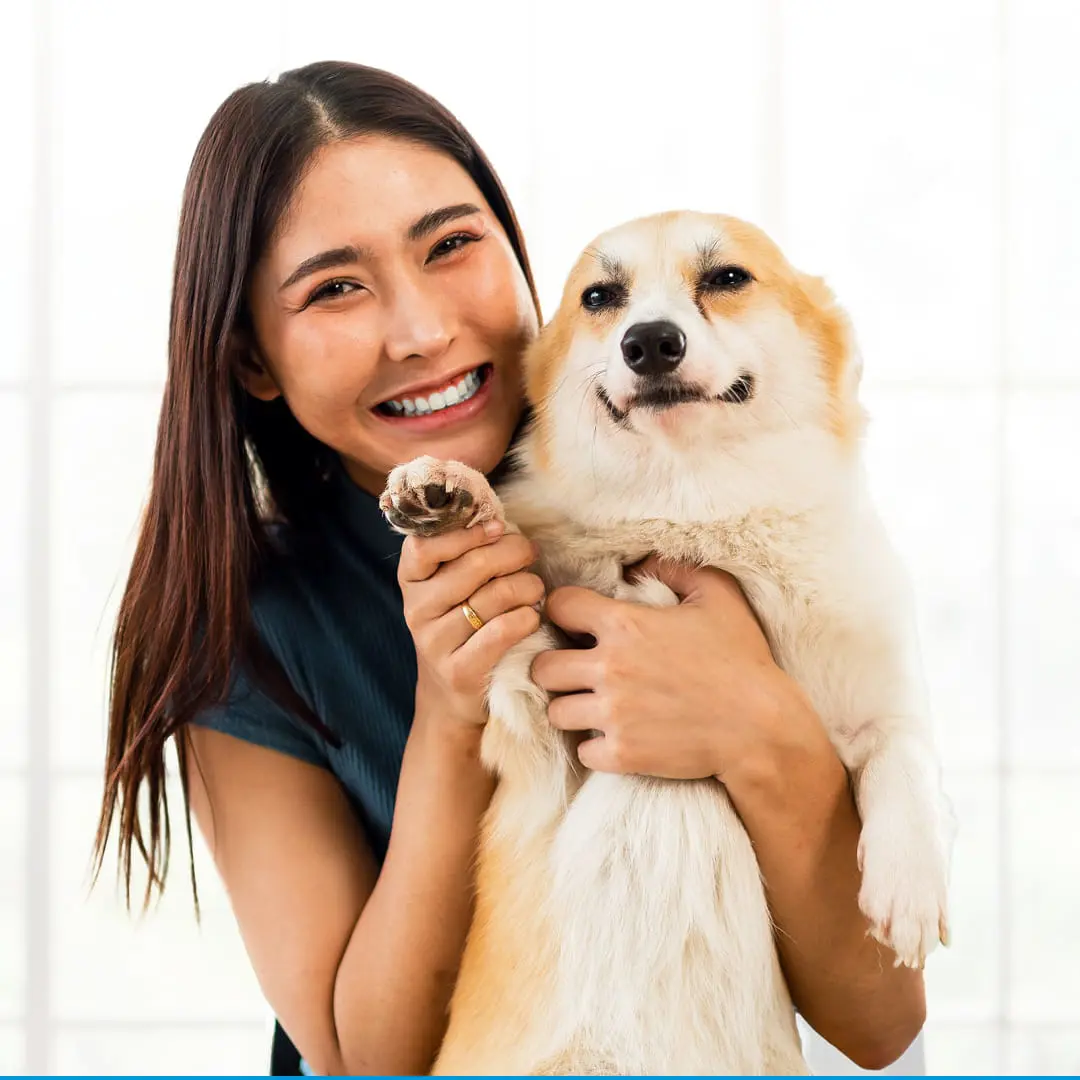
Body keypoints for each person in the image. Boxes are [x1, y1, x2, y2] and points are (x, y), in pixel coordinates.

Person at [93, 61, 925, 1076]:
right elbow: (362, 1061)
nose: (424, 332)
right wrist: (452, 716)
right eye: (336, 288)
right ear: (252, 360)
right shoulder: (243, 627)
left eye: (451, 245)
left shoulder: (689, 456)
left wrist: (754, 723)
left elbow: (882, 1023)